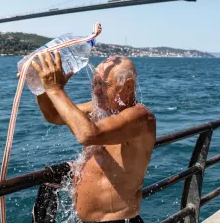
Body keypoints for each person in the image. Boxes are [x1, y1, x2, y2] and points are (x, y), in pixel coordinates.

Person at [31, 52, 156, 223]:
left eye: (104, 84)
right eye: (95, 83)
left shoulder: (140, 117)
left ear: (128, 87)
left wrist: (55, 89)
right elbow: (53, 115)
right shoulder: (98, 110)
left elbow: (88, 135)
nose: (97, 90)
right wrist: (40, 87)